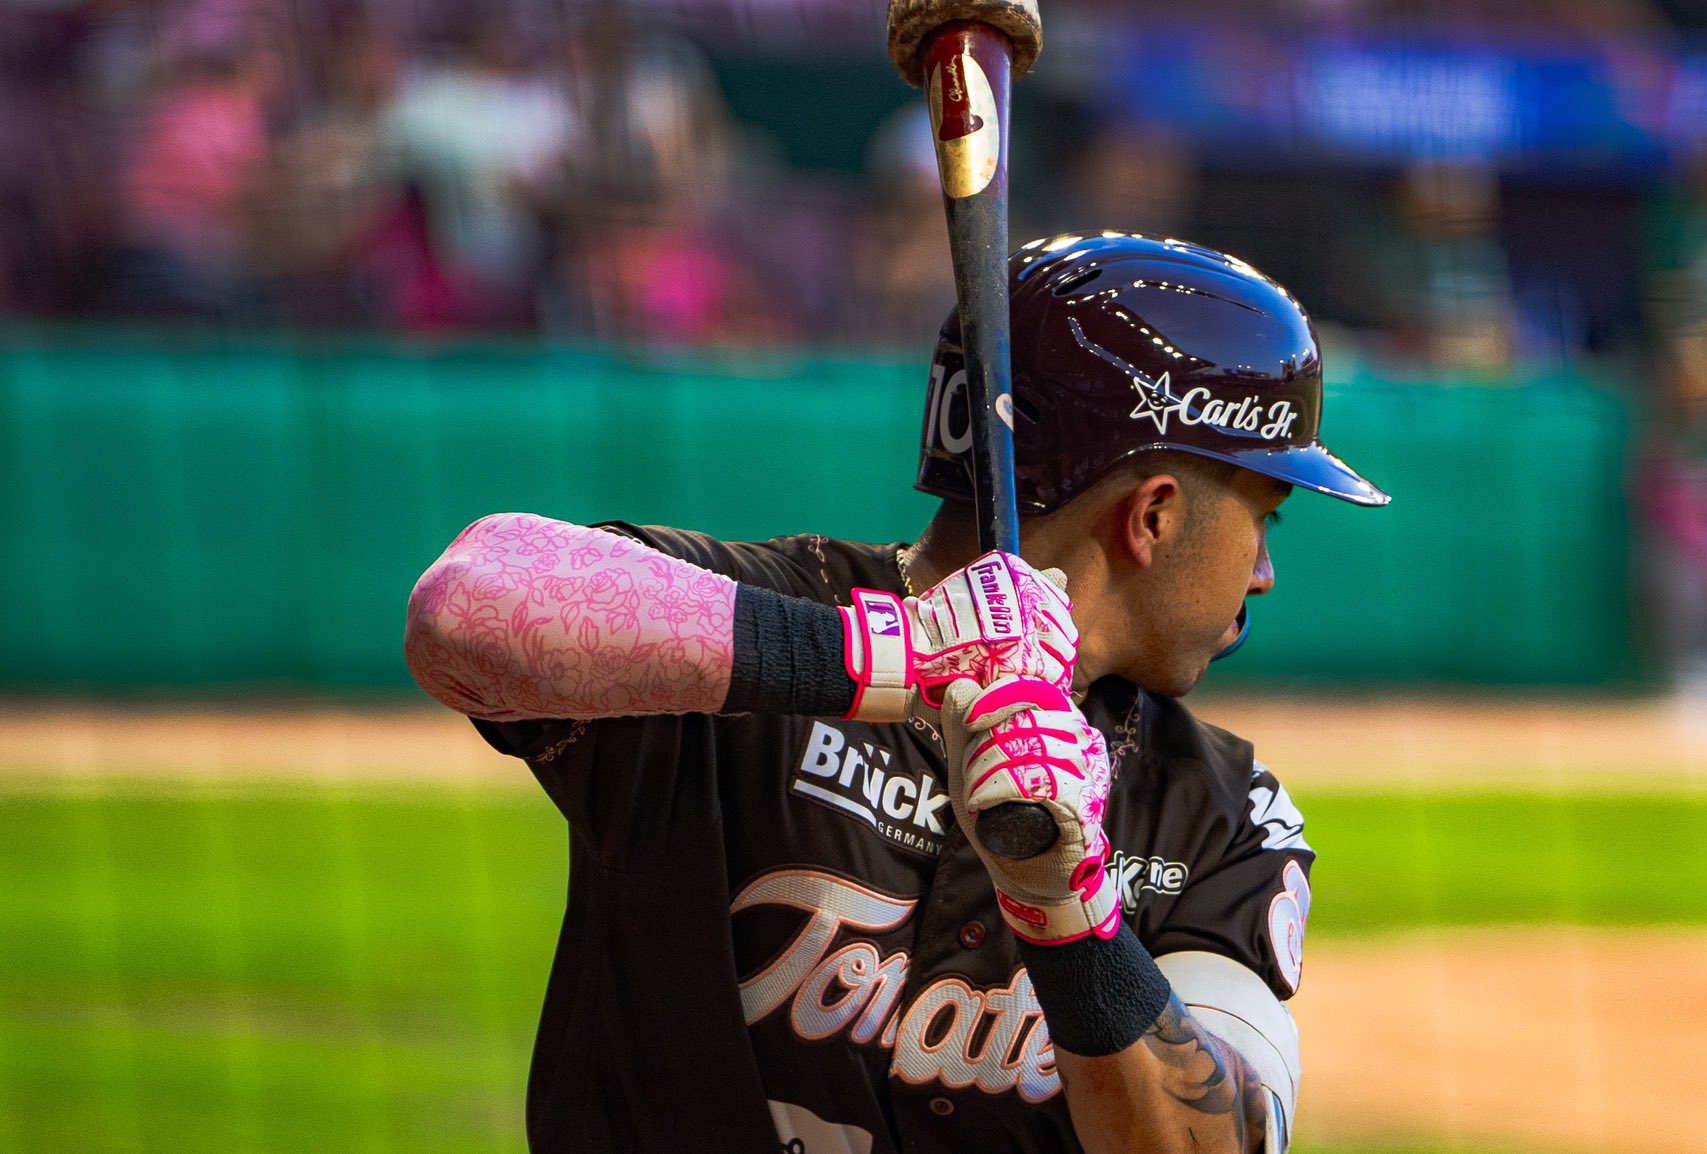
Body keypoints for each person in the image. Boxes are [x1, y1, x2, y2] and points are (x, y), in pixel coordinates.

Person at [404, 232, 1390, 1153]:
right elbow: (464, 605)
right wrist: (905, 655)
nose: (1262, 569)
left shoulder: (1221, 813)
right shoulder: (747, 622)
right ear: (1155, 515)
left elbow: (1213, 1139)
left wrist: (1068, 903)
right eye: (1264, 512)